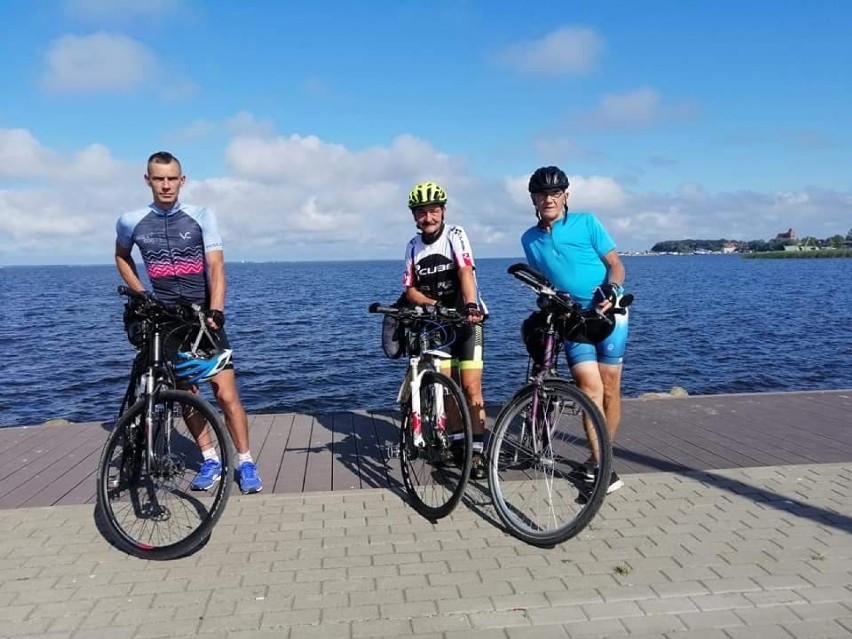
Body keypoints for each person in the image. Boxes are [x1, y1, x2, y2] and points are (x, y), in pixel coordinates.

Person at [114, 151, 262, 494]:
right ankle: (210, 458)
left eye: (172, 179)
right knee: (186, 393)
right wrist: (141, 294)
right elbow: (121, 257)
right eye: (159, 178)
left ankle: (246, 461)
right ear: (147, 180)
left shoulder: (200, 216)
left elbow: (216, 266)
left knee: (225, 394)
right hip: (165, 319)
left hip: (201, 316)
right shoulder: (130, 221)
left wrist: (217, 309)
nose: (166, 185)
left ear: (183, 180)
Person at [520, 166, 628, 493]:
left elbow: (616, 264)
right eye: (541, 194)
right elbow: (545, 282)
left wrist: (612, 290)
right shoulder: (530, 239)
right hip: (573, 320)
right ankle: (604, 467)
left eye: (555, 193)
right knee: (589, 389)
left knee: (610, 389)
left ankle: (598, 461)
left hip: (610, 313)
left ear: (566, 195)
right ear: (533, 200)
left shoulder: (587, 223)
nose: (548, 199)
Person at [402, 181, 489, 480]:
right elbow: (410, 289)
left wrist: (469, 306)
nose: (428, 217)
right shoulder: (413, 246)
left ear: (443, 211)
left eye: (434, 211)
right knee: (447, 388)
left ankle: (477, 452)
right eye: (422, 212)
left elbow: (465, 270)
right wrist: (434, 305)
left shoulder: (455, 234)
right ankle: (456, 444)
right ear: (415, 216)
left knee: (471, 387)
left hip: (467, 322)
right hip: (439, 323)